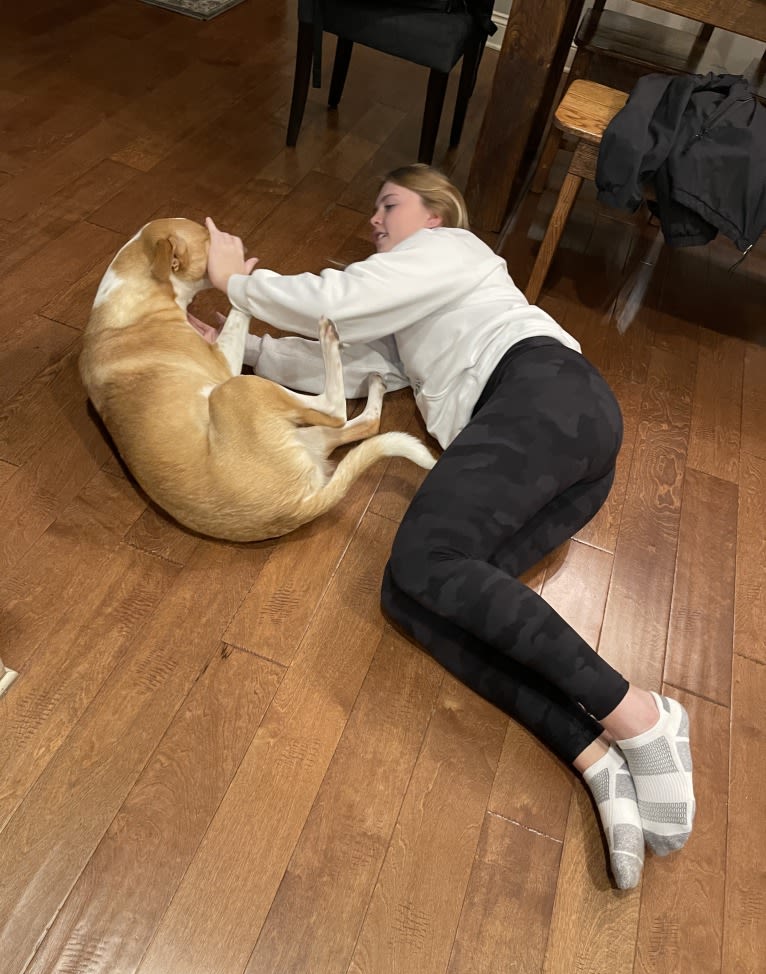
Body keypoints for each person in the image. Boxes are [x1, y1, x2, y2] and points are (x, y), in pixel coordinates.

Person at [194, 163, 695, 890]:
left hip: (546, 393)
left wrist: (233, 280)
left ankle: (643, 717)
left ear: (437, 213)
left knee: (426, 555)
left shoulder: (452, 249)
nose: (374, 220)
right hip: (559, 446)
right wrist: (234, 341)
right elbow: (340, 353)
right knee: (408, 591)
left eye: (388, 205)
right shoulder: (409, 311)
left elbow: (337, 297)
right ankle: (592, 754)